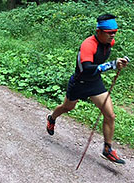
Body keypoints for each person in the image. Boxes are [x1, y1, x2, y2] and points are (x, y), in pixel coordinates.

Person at [46, 13, 129, 164]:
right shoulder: (88, 44)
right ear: (99, 31)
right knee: (67, 107)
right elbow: (86, 68)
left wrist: (120, 63)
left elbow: (99, 67)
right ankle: (52, 118)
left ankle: (107, 149)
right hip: (80, 82)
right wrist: (111, 64)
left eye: (115, 32)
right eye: (109, 33)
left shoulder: (110, 43)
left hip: (94, 82)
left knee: (110, 115)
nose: (112, 36)